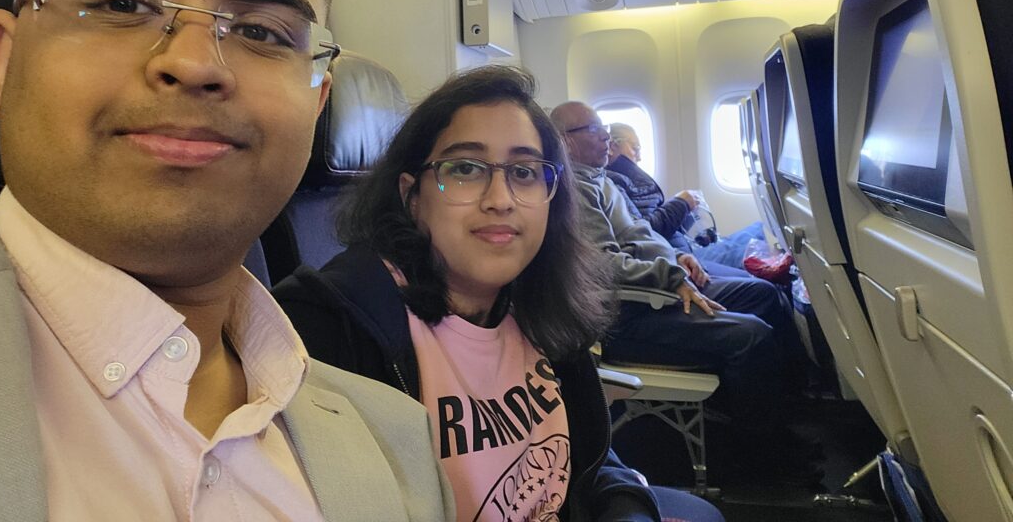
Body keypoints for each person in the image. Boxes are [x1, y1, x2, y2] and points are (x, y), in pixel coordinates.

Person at [0, 0, 452, 521]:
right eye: (122, 4)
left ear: (315, 100)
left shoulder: (398, 443)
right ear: (1, 60)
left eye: (263, 32)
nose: (199, 62)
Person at [274, 67, 725, 522]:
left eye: (524, 172)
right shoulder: (334, 329)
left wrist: (626, 509)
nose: (501, 199)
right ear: (413, 195)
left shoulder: (538, 302)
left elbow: (586, 453)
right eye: (466, 168)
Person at [550, 102, 822, 485]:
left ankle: (780, 414)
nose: (606, 135)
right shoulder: (572, 191)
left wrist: (677, 258)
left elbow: (643, 234)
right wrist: (669, 277)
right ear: (565, 140)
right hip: (628, 315)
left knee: (762, 296)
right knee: (751, 337)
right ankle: (762, 457)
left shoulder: (602, 179)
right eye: (594, 128)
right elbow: (603, 267)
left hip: (655, 288)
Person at [606, 123, 764, 270]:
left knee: (756, 232)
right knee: (754, 242)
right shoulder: (615, 182)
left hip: (681, 252)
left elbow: (648, 220)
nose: (639, 157)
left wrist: (686, 211)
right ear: (613, 146)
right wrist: (681, 203)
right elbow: (648, 231)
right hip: (677, 259)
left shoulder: (627, 178)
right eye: (635, 148)